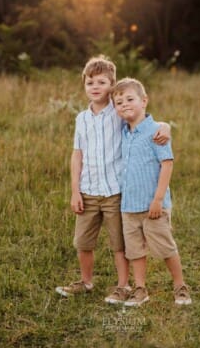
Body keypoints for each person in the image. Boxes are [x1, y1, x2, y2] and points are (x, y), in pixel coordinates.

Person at [55, 56, 170, 304]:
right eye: (90, 82)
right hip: (88, 190)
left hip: (116, 191)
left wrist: (166, 126)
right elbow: (77, 155)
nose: (95, 87)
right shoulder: (81, 119)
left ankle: (123, 286)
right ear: (84, 85)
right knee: (83, 242)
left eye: (102, 82)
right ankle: (86, 282)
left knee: (120, 243)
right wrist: (75, 191)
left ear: (112, 85)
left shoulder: (119, 112)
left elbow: (147, 121)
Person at [112, 77, 192, 306]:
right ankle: (140, 289)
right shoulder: (124, 132)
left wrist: (157, 200)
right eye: (119, 102)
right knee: (135, 251)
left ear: (144, 101)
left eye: (130, 99)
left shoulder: (157, 132)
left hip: (152, 206)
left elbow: (167, 164)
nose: (124, 104)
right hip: (128, 206)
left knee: (165, 247)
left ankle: (180, 285)